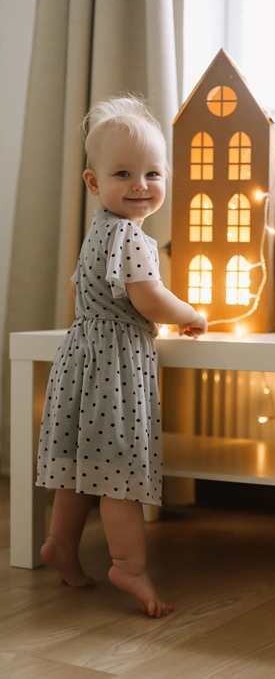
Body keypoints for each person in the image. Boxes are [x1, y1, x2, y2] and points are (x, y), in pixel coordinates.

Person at [36, 95, 207, 618]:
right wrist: (188, 312)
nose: (141, 185)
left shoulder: (97, 233)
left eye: (153, 173)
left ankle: (60, 544)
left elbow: (78, 291)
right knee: (119, 471)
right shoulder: (132, 237)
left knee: (78, 465)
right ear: (94, 182)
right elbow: (146, 296)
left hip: (79, 357)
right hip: (114, 362)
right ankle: (128, 567)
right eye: (124, 173)